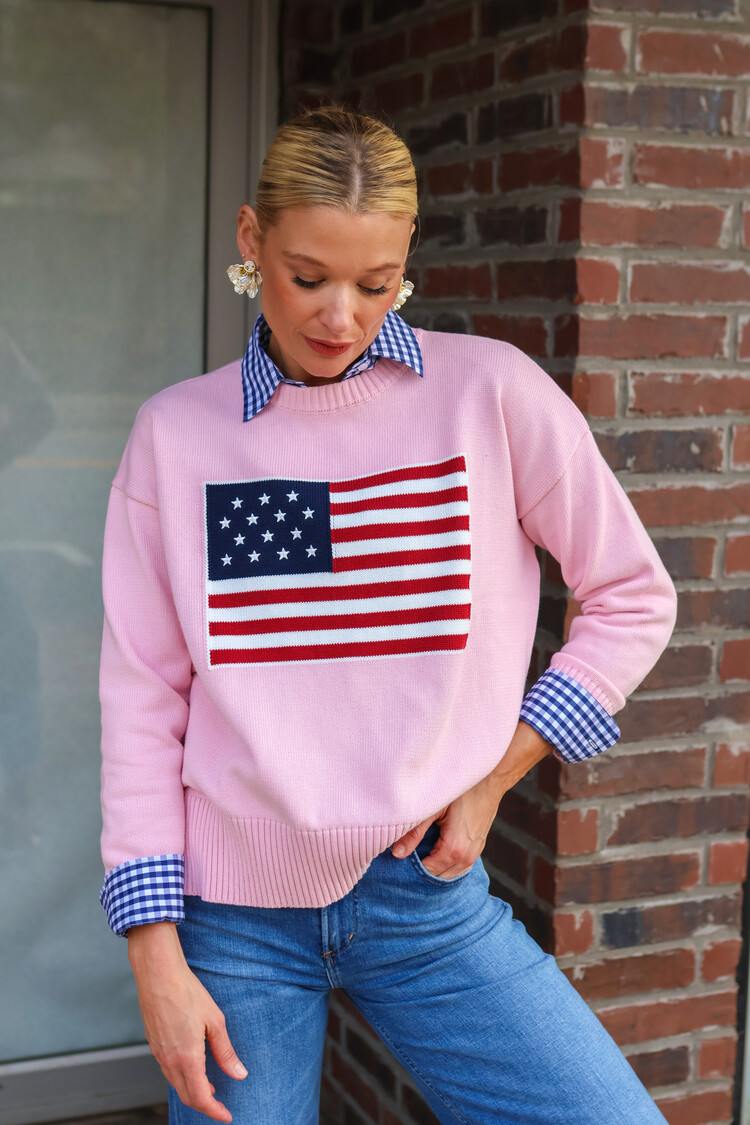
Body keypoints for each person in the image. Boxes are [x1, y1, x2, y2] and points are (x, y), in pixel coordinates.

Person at [98, 104, 677, 1125]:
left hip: (425, 899)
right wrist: (154, 955)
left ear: (407, 256)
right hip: (232, 924)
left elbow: (634, 596)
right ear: (251, 242)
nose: (341, 316)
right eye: (308, 277)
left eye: (377, 285)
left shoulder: (489, 395)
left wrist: (495, 777)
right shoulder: (175, 434)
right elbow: (143, 699)